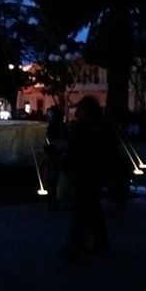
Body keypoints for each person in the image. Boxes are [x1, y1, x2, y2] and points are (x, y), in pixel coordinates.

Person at [59, 96, 120, 261]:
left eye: (81, 110)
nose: (78, 113)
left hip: (90, 172)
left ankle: (76, 247)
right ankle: (100, 244)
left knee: (84, 209)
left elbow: (106, 151)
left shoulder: (93, 129)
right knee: (91, 209)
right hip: (87, 172)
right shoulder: (93, 127)